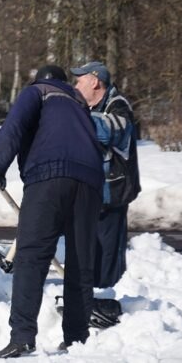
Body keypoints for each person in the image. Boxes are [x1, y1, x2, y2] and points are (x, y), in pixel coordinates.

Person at [0, 65, 104, 358]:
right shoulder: (79, 103)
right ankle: (76, 337)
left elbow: (13, 126)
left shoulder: (37, 92)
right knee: (79, 262)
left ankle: (23, 336)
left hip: (48, 178)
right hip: (89, 183)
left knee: (31, 257)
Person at [71, 61, 140, 288]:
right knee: (91, 249)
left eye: (79, 81)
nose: (75, 85)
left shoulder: (118, 106)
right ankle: (92, 295)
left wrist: (72, 117)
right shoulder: (89, 108)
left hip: (113, 195)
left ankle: (110, 299)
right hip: (93, 193)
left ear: (95, 81)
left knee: (109, 253)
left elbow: (109, 131)